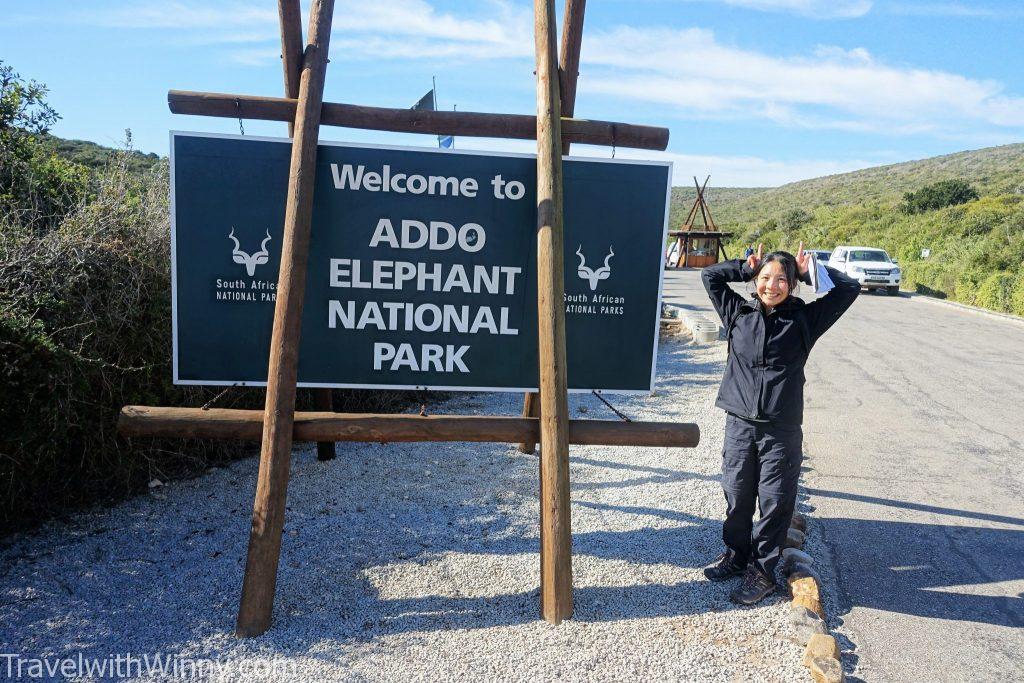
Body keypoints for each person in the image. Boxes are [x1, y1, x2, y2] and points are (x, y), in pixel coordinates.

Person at [700, 242, 860, 604]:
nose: (771, 286)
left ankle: (764, 571)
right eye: (765, 278)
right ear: (755, 280)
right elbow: (709, 275)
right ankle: (737, 556)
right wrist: (743, 266)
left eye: (782, 279)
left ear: (792, 283)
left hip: (781, 429)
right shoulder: (737, 311)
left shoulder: (805, 320)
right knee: (738, 495)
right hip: (740, 423)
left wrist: (813, 271)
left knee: (774, 501)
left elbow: (850, 289)